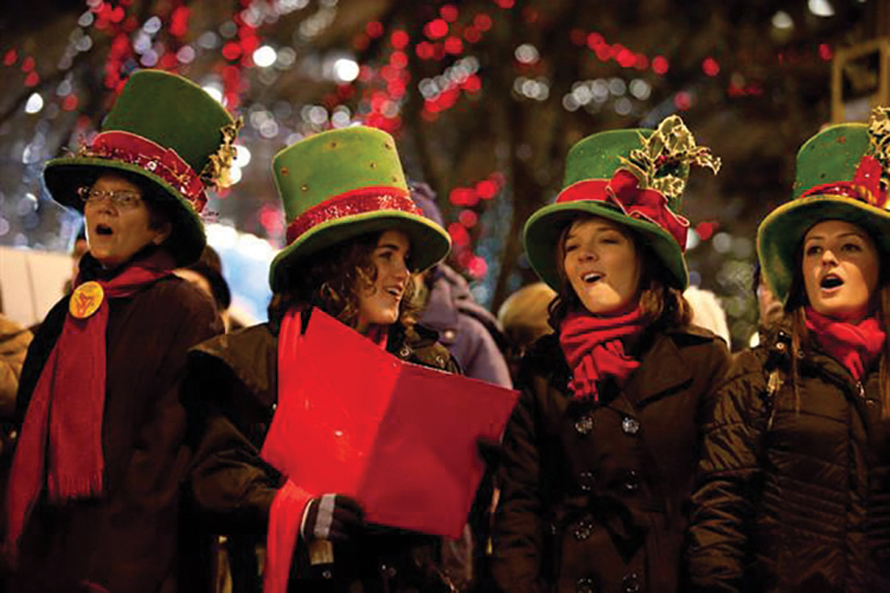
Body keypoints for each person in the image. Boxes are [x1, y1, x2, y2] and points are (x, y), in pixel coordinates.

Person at [182, 126, 472, 593]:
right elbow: (214, 480)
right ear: (339, 262)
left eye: (406, 258)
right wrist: (296, 510)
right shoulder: (247, 362)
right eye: (387, 254)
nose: (405, 274)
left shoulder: (430, 364)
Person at [2, 69, 237, 592]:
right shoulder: (73, 310)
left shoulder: (184, 309)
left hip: (124, 571)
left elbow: (162, 461)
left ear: (160, 227)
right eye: (95, 194)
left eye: (125, 198)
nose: (102, 208)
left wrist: (114, 575)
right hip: (46, 562)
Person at [491, 116, 730, 593]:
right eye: (573, 245)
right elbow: (520, 508)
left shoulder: (701, 361)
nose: (585, 256)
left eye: (607, 240)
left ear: (644, 256)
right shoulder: (543, 367)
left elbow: (719, 506)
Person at [687, 109, 890, 592]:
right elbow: (720, 511)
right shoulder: (760, 374)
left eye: (849, 246)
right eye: (813, 249)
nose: (827, 259)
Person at [410, 182, 512, 389]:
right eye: (386, 255)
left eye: (409, 257)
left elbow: (495, 414)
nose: (399, 272)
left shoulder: (468, 335)